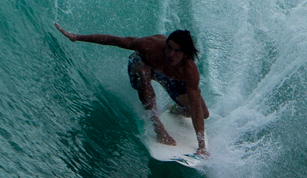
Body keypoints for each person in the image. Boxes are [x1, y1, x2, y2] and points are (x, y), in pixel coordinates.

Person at [54, 23, 209, 158]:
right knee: (143, 72)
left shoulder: (189, 71)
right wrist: (77, 37)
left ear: (186, 54)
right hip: (142, 64)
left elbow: (196, 107)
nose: (170, 54)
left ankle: (177, 109)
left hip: (168, 76)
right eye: (169, 48)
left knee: (203, 113)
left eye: (177, 51)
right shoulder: (150, 46)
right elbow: (115, 40)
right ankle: (158, 127)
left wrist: (201, 146)